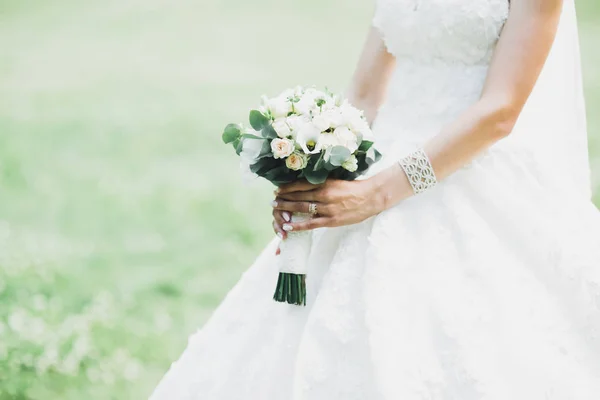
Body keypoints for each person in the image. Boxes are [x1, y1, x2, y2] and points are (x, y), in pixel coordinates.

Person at [151, 0, 600, 398]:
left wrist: (376, 193)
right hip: (378, 162)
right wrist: (315, 176)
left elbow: (500, 111)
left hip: (472, 172)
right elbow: (365, 94)